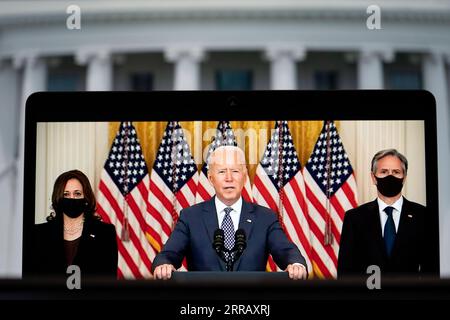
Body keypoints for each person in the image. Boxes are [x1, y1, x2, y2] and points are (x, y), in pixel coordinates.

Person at [152, 145, 307, 280]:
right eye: (221, 172)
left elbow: (286, 251)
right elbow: (168, 254)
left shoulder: (265, 218)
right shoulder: (190, 217)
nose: (229, 178)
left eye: (235, 171)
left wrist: (295, 263)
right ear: (211, 178)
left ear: (245, 177)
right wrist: (164, 264)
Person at [337, 149, 429, 277]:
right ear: (373, 178)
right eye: (384, 172)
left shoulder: (423, 215)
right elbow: (345, 271)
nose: (389, 176)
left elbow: (430, 266)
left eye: (396, 172)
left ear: (404, 178)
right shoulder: (355, 218)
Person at [25, 169, 118, 278]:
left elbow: (108, 280)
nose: (72, 198)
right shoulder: (39, 233)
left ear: (86, 197)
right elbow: (33, 279)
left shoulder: (105, 233)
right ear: (58, 198)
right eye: (66, 194)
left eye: (77, 194)